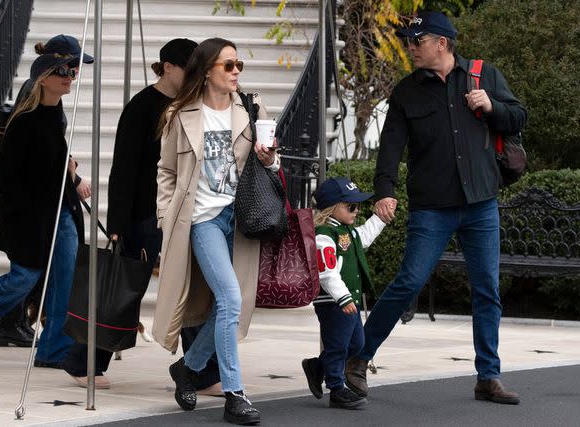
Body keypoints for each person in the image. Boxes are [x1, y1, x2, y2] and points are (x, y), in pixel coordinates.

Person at [345, 12, 527, 405]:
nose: (411, 48)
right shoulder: (407, 92)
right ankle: (357, 360)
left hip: (481, 203)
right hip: (432, 207)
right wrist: (385, 190)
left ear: (441, 43)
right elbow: (390, 147)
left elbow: (519, 118)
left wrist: (491, 105)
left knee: (487, 290)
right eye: (409, 41)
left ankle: (487, 377)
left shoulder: (484, 76)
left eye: (417, 41)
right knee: (408, 282)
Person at [61, 38, 221, 393]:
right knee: (123, 289)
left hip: (187, 211)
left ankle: (201, 370)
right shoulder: (142, 107)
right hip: (144, 216)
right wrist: (117, 226)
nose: (197, 77)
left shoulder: (195, 105)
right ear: (168, 68)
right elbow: (123, 171)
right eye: (189, 69)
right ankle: (82, 361)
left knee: (192, 288)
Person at [153, 37, 279, 425]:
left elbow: (272, 167)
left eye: (238, 64)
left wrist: (270, 159)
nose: (236, 71)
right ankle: (234, 394)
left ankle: (187, 368)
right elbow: (167, 172)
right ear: (207, 71)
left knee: (231, 304)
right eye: (228, 65)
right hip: (202, 220)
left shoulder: (250, 111)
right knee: (227, 296)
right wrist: (166, 219)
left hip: (240, 220)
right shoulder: (180, 114)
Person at [0, 34, 93, 349]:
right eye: (64, 70)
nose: (71, 76)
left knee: (64, 279)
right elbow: (14, 179)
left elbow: (55, 156)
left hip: (60, 209)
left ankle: (54, 348)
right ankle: (17, 328)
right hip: (34, 214)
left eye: (73, 70)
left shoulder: (54, 111)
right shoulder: (26, 117)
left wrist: (72, 179)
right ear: (44, 76)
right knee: (24, 277)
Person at [301, 177, 388, 410]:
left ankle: (317, 367)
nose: (357, 210)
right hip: (333, 301)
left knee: (356, 344)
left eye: (357, 205)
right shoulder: (324, 233)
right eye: (351, 206)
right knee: (338, 344)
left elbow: (365, 236)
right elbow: (326, 271)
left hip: (348, 300)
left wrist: (380, 218)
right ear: (332, 207)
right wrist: (343, 297)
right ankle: (336, 388)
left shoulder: (346, 230)